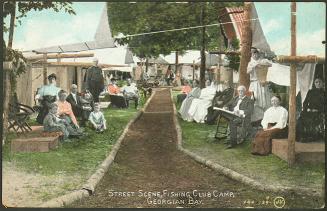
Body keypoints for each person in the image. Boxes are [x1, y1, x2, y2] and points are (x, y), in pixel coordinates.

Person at [247, 48, 272, 122]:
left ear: (259, 54)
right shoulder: (251, 63)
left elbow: (270, 64)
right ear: (252, 55)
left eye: (256, 53)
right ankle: (256, 120)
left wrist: (261, 63)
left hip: (262, 82)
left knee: (265, 100)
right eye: (253, 54)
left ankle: (266, 119)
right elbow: (248, 71)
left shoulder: (263, 60)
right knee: (255, 99)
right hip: (254, 83)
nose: (255, 55)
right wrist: (254, 65)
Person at [297, 78, 325, 142]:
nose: (318, 83)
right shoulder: (310, 92)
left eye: (319, 82)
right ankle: (300, 136)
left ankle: (310, 137)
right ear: (314, 83)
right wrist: (306, 109)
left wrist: (318, 110)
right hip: (308, 111)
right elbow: (305, 102)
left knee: (311, 120)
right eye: (316, 82)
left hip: (318, 112)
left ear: (323, 83)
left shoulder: (324, 93)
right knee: (301, 118)